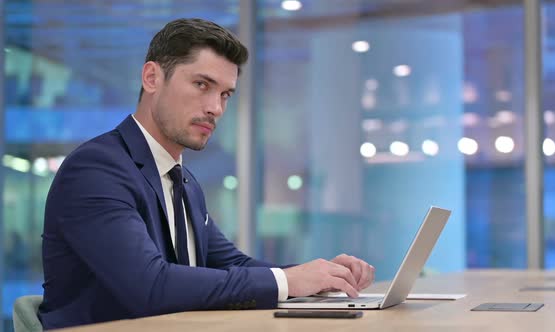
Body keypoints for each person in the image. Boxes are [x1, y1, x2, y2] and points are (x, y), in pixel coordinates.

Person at [39, 18, 375, 330]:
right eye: (202, 84)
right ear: (152, 77)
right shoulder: (97, 169)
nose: (216, 107)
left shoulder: (181, 180)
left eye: (225, 94)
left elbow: (231, 264)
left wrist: (320, 277)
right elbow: (149, 286)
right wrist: (288, 282)